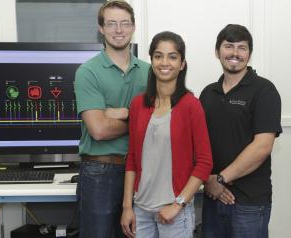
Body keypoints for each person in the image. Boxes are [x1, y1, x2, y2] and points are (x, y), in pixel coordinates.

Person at [121, 31, 213, 238]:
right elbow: (132, 160)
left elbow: (205, 162)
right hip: (141, 210)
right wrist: (128, 207)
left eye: (172, 56)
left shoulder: (191, 106)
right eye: (158, 55)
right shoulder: (138, 104)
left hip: (175, 212)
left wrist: (178, 203)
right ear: (152, 61)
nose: (165, 62)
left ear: (182, 64)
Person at [74, 0, 150, 238]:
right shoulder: (88, 72)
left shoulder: (150, 71)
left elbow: (162, 120)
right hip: (101, 171)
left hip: (143, 171)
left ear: (134, 27)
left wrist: (121, 112)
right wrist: (138, 116)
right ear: (101, 29)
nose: (119, 30)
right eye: (112, 24)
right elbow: (98, 130)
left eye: (125, 23)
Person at [200, 24, 282, 238]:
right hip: (211, 199)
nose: (235, 53)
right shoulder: (208, 93)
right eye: (228, 46)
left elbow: (262, 147)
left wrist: (220, 180)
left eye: (242, 48)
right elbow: (199, 144)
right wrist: (209, 181)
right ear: (217, 52)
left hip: (249, 203)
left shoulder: (264, 90)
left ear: (249, 54)